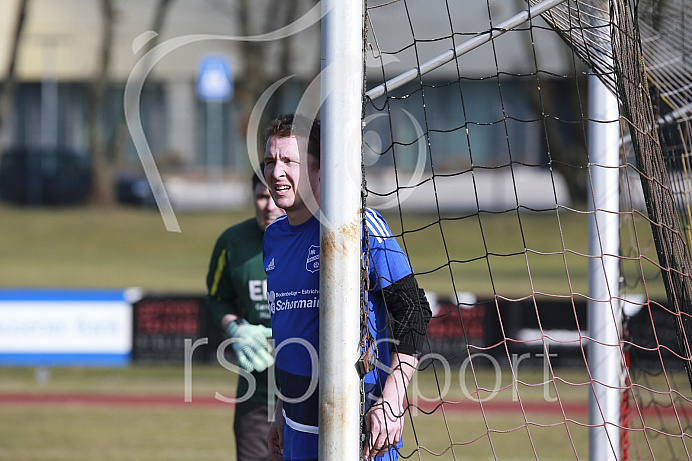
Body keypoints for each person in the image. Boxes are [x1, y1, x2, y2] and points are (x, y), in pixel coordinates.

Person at [262, 113, 432, 461]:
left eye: (288, 161)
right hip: (296, 425)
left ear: (319, 169)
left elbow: (414, 310)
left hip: (357, 426)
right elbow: (291, 332)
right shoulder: (273, 237)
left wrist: (392, 399)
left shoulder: (356, 224)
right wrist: (281, 408)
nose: (275, 172)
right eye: (270, 161)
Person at [205, 170, 284, 461]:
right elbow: (216, 300)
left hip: (309, 391)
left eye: (275, 196)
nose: (269, 205)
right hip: (256, 395)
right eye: (262, 197)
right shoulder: (232, 242)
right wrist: (235, 327)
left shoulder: (314, 238)